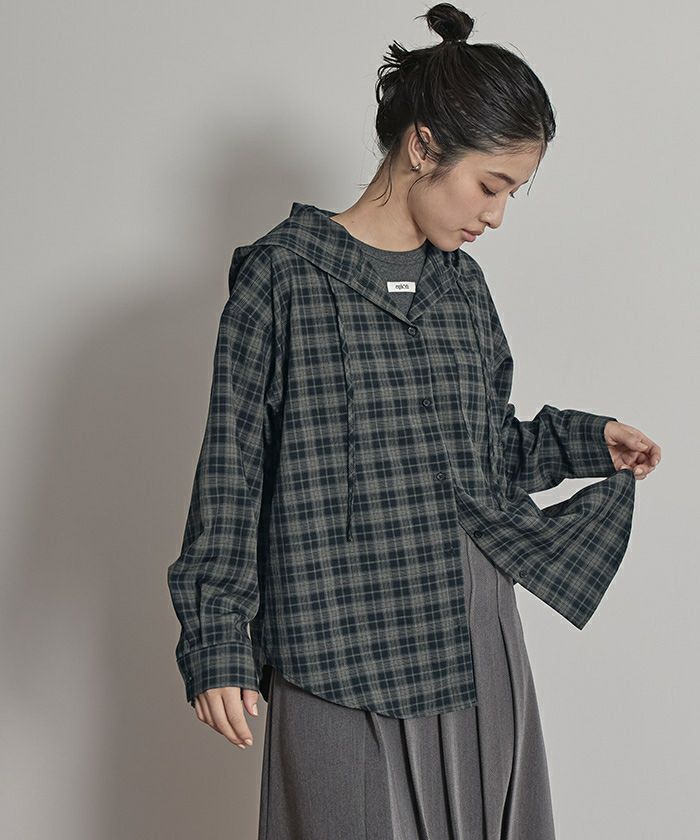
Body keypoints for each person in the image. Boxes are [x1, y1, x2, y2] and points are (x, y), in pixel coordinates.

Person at [167, 4, 661, 838]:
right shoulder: (283, 280)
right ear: (424, 147)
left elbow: (481, 454)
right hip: (332, 631)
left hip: (472, 629)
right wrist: (216, 639)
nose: (496, 215)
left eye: (511, 193)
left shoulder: (463, 289)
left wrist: (585, 441)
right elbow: (233, 474)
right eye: (491, 186)